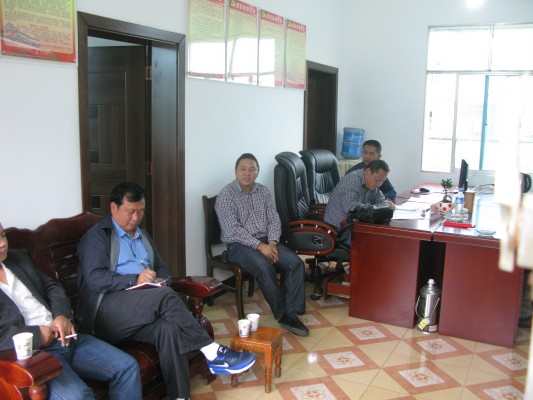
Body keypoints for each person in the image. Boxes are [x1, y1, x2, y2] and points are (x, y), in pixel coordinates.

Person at [77, 182, 256, 400]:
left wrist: (162, 280)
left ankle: (180, 396)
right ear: (113, 208)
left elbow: (162, 268)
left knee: (168, 329)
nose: (135, 218)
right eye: (130, 211)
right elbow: (95, 278)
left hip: (139, 309)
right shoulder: (98, 236)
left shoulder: (142, 235)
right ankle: (212, 351)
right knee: (162, 296)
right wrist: (135, 279)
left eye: (140, 211)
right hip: (106, 314)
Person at [0, 222, 142, 400]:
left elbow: (51, 287)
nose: (3, 243)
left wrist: (61, 315)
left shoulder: (17, 258)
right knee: (78, 396)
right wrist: (37, 335)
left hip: (66, 336)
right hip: (36, 355)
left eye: (3, 235)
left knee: (127, 367)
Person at [215, 153, 309, 337]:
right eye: (243, 169)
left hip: (267, 240)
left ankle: (293, 309)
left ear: (257, 172)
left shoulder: (263, 191)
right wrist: (260, 246)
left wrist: (272, 242)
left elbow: (274, 219)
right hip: (238, 245)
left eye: (252, 169)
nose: (247, 173)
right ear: (236, 171)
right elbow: (232, 230)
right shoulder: (226, 195)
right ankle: (283, 315)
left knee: (295, 263)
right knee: (265, 267)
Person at [324, 159, 395, 231]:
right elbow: (350, 207)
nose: (379, 184)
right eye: (377, 180)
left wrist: (385, 203)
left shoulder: (370, 183)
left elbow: (378, 196)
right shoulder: (352, 180)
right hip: (337, 228)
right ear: (367, 171)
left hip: (354, 225)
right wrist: (373, 208)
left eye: (382, 181)